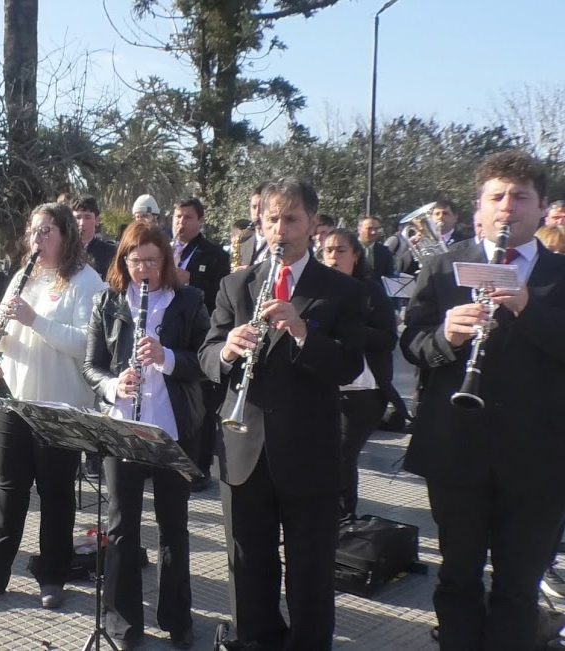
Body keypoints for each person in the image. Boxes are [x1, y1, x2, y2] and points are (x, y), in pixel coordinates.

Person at [401, 151, 565, 651]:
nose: (507, 207)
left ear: (541, 209)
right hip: (458, 451)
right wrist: (444, 337)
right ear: (481, 205)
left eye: (520, 197)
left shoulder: (560, 273)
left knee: (517, 587)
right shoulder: (446, 264)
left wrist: (527, 308)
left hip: (538, 459)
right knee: (457, 578)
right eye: (497, 197)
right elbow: (412, 341)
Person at [199, 177, 367, 650]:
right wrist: (227, 351)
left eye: (291, 219)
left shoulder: (340, 291)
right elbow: (207, 357)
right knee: (248, 566)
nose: (280, 229)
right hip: (244, 446)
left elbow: (350, 365)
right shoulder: (235, 285)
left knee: (310, 570)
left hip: (308, 452)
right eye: (272, 218)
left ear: (313, 223)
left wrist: (302, 333)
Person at [0, 202, 107, 608]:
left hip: (60, 404)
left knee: (56, 493)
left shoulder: (87, 281)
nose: (38, 240)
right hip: (15, 397)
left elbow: (87, 344)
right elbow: (8, 337)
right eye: (34, 232)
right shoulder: (24, 277)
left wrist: (35, 320)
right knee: (9, 487)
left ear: (65, 235)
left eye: (47, 232)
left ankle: (53, 575)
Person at [82, 221, 209, 649]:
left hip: (172, 431)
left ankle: (178, 618)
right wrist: (114, 385)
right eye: (135, 261)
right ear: (124, 261)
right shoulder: (107, 301)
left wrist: (167, 356)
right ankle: (122, 622)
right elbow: (91, 367)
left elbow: (205, 362)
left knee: (174, 527)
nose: (143, 269)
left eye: (152, 261)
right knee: (121, 528)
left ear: (165, 261)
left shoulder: (189, 301)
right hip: (124, 430)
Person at [319, 229, 399, 522]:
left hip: (363, 389)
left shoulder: (370, 290)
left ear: (356, 255)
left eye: (340, 251)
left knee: (341, 456)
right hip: (323, 384)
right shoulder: (317, 287)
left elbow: (389, 339)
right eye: (327, 251)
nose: (333, 257)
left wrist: (350, 330)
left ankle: (343, 520)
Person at [170, 196, 230, 491]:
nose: (181, 222)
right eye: (178, 216)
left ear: (201, 221)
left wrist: (190, 278)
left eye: (188, 217)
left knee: (201, 404)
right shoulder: (163, 248)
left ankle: (200, 467)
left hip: (200, 335)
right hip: (169, 335)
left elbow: (222, 293)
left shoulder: (214, 254)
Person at [73, 195, 115, 276]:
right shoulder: (63, 251)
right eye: (78, 217)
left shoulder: (110, 252)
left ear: (97, 220)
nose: (82, 223)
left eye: (87, 217)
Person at [237, 181, 270, 268]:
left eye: (262, 207)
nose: (257, 213)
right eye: (254, 207)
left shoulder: (283, 242)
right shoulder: (243, 243)